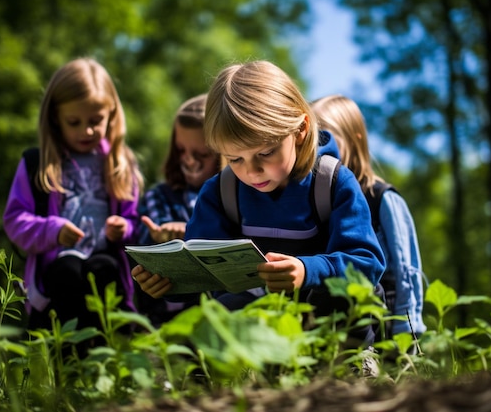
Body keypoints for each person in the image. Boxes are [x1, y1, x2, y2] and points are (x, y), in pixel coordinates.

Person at [132, 60, 386, 341]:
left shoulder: (333, 183)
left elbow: (368, 264)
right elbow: (204, 269)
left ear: (300, 131)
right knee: (217, 312)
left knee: (349, 296)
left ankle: (355, 366)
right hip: (260, 330)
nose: (251, 171)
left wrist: (307, 269)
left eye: (265, 153)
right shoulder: (221, 191)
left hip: (329, 326)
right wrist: (168, 281)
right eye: (235, 158)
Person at [3, 57, 143, 335]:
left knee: (105, 270)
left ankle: (109, 357)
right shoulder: (37, 163)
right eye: (74, 122)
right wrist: (53, 230)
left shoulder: (120, 162)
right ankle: (69, 365)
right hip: (60, 264)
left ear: (111, 114)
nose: (86, 131)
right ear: (56, 118)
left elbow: (135, 220)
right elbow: (15, 220)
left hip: (105, 256)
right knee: (67, 271)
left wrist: (123, 228)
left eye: (95, 121)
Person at [311, 94, 426, 338]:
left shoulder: (381, 198)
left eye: (324, 136)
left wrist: (407, 330)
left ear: (354, 139)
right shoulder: (321, 198)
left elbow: (405, 268)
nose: (317, 147)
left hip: (385, 319)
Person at [135, 93, 221, 325]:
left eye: (201, 154)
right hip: (168, 316)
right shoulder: (160, 196)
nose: (189, 161)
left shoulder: (233, 196)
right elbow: (150, 232)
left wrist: (193, 229)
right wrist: (161, 236)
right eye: (181, 150)